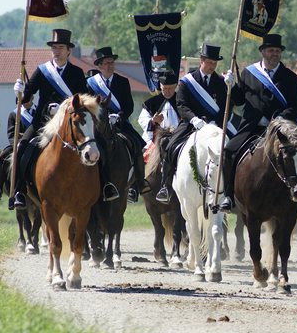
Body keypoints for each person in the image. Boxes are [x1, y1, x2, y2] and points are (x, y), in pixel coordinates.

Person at [217, 33, 297, 213]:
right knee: (229, 150)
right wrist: (231, 85)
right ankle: (228, 196)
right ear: (263, 52)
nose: (274, 54)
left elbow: (296, 105)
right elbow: (239, 100)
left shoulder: (291, 77)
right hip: (254, 126)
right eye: (270, 50)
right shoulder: (249, 73)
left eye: (277, 51)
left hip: (283, 127)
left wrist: (279, 120)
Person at [10, 29, 91, 210]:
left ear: (68, 50)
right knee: (21, 147)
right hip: (42, 122)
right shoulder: (42, 70)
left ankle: (103, 188)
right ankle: (20, 190)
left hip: (68, 123)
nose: (57, 51)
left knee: (95, 146)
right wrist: (20, 91)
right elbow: (26, 97)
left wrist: (66, 108)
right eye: (54, 47)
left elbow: (84, 99)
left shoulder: (77, 73)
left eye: (60, 47)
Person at [155, 42, 243, 203]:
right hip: (192, 124)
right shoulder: (187, 82)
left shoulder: (222, 82)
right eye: (209, 62)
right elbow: (181, 105)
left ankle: (231, 192)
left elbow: (235, 103)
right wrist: (194, 119)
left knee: (235, 150)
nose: (212, 66)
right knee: (170, 146)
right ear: (201, 60)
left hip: (216, 125)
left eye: (214, 63)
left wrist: (233, 86)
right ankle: (166, 186)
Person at [88, 46, 150, 202]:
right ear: (99, 65)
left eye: (112, 62)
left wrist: (119, 116)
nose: (110, 65)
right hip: (99, 126)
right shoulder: (90, 84)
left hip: (120, 123)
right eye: (107, 63)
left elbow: (129, 105)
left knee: (137, 145)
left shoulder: (123, 82)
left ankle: (138, 184)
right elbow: (88, 106)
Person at [0, 104, 32, 200]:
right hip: (18, 144)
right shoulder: (14, 114)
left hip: (35, 143)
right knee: (3, 156)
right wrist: (17, 142)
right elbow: (11, 134)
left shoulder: (37, 111)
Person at [138, 71, 182, 146]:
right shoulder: (151, 103)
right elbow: (142, 120)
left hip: (178, 138)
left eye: (170, 88)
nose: (167, 92)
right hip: (156, 139)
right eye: (165, 88)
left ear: (175, 87)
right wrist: (152, 121)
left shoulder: (182, 102)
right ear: (160, 87)